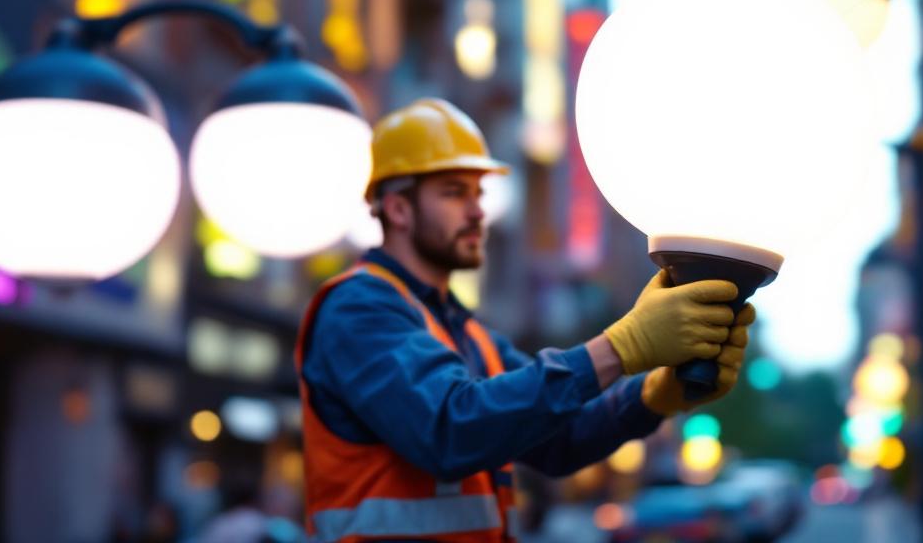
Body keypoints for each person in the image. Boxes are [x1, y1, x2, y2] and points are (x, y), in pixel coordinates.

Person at [296, 98, 754, 543]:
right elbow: (449, 430)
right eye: (454, 192)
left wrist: (655, 396)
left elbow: (561, 441)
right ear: (397, 208)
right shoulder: (357, 307)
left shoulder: (469, 335)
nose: (478, 210)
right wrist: (622, 347)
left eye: (479, 192)